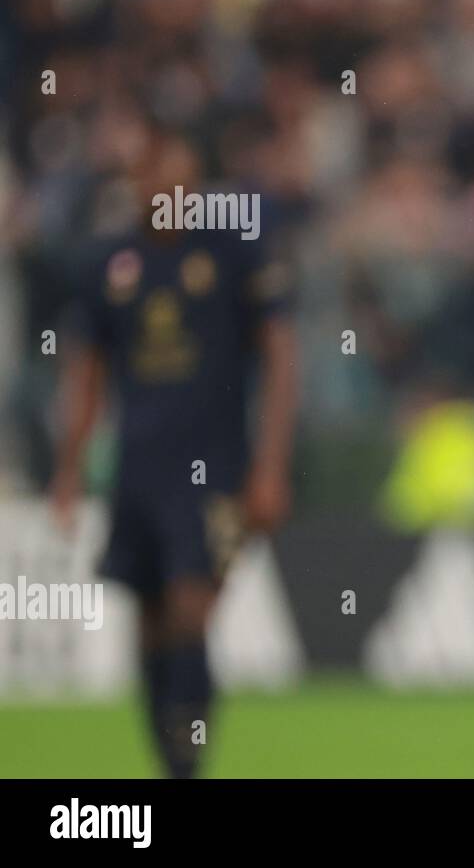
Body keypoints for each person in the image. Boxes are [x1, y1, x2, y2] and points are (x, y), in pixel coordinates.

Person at [50, 132, 298, 777]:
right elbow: (86, 373)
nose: (172, 194)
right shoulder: (108, 263)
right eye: (159, 179)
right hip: (138, 469)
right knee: (150, 624)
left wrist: (271, 468)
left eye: (186, 181)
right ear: (137, 182)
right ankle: (169, 764)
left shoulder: (234, 254)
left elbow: (280, 357)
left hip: (215, 467)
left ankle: (188, 766)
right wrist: (68, 470)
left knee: (192, 606)